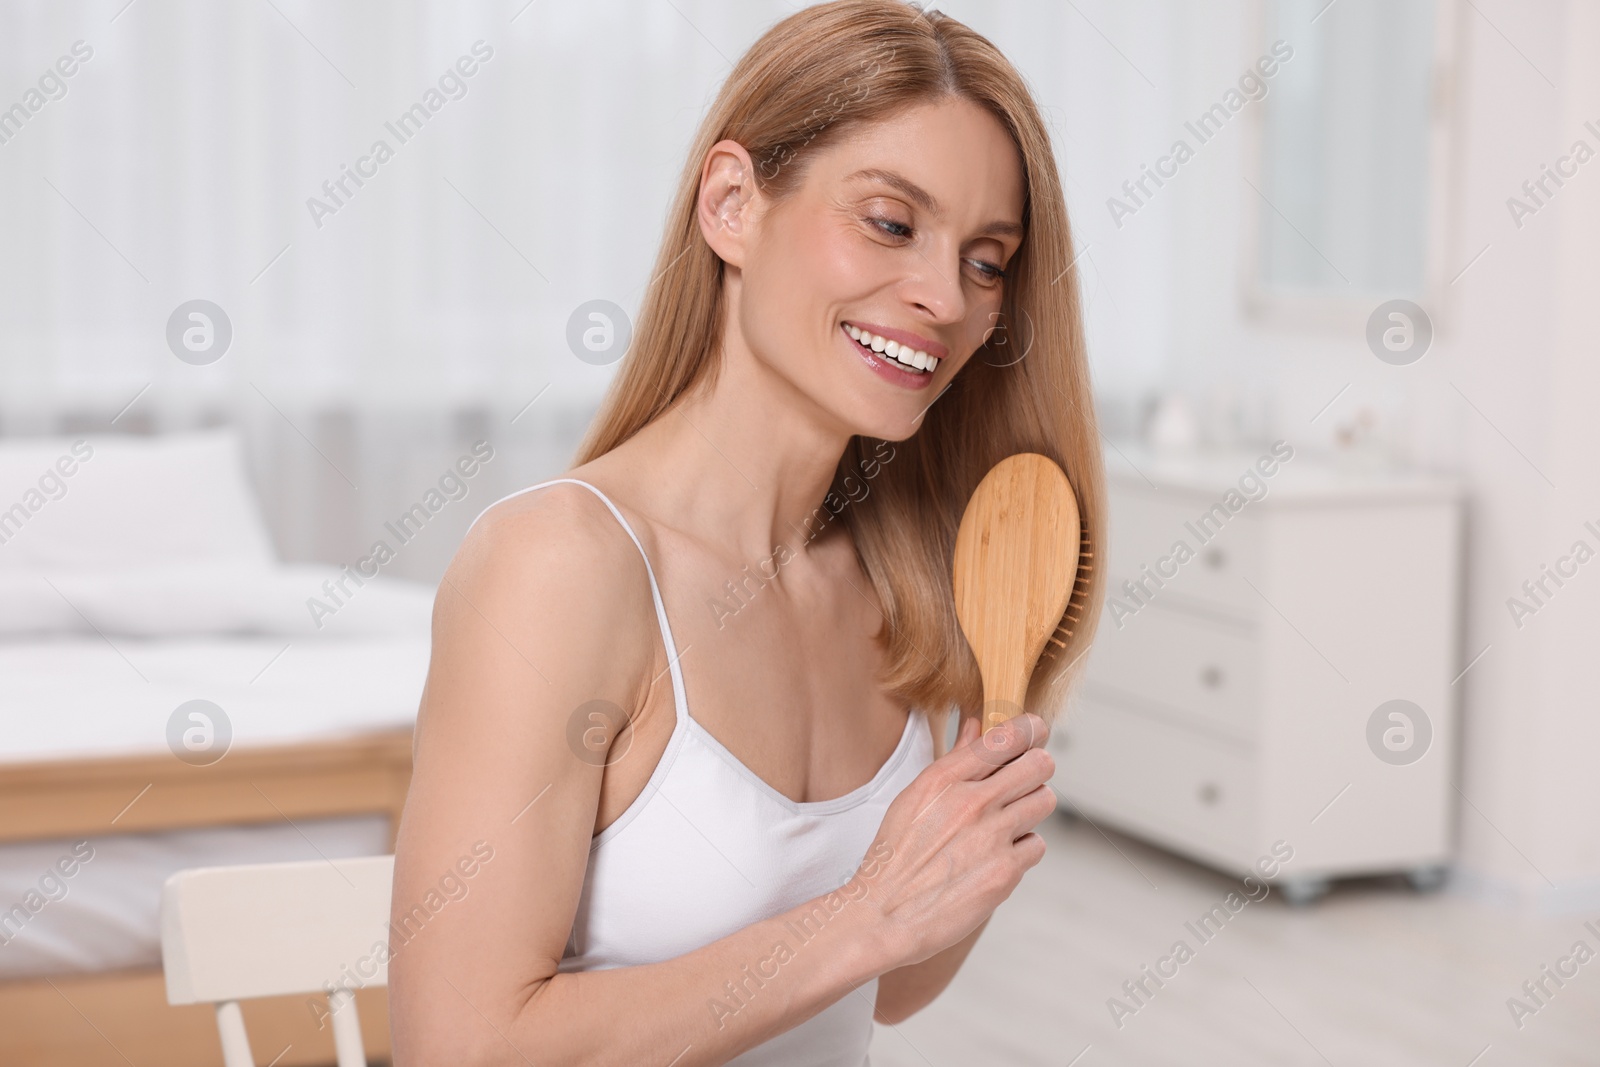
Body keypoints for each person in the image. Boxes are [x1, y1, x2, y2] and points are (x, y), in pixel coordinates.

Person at [389, 2, 1104, 1063]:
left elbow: (891, 988)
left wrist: (960, 847)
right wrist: (867, 908)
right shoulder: (560, 567)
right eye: (891, 222)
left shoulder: (896, 591)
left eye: (987, 260)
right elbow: (459, 1047)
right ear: (731, 204)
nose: (943, 295)